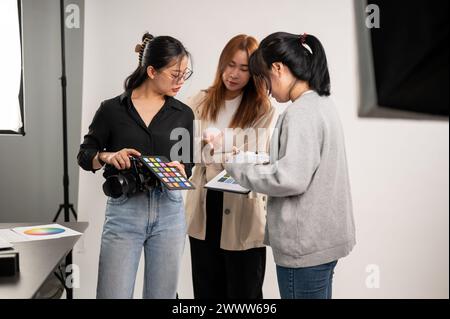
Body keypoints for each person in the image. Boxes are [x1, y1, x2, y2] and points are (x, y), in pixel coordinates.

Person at [224, 32, 356, 299]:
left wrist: (234, 166)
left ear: (278, 68)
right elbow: (303, 166)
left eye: (263, 78)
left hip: (303, 247)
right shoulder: (322, 103)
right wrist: (253, 161)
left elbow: (290, 179)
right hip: (324, 241)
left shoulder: (299, 113)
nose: (266, 89)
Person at [77, 32, 194, 299]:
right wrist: (108, 156)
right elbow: (85, 154)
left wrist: (182, 169)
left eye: (185, 74)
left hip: (170, 211)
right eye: (175, 74)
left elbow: (188, 161)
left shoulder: (184, 114)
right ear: (151, 71)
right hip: (125, 212)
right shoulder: (111, 110)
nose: (181, 81)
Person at [185, 34, 275, 299]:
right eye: (230, 65)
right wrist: (228, 151)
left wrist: (211, 149)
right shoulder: (199, 101)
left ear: (255, 72)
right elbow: (183, 150)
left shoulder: (263, 108)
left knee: (244, 295)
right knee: (206, 293)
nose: (233, 74)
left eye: (244, 68)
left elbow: (255, 158)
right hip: (203, 208)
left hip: (242, 212)